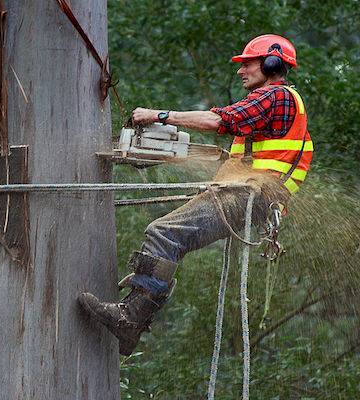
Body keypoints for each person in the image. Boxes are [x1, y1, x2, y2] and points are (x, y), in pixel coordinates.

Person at [79, 34, 313, 355]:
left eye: (247, 63)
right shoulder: (279, 104)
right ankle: (132, 318)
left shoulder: (275, 97)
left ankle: (130, 318)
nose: (241, 71)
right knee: (170, 236)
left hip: (248, 197)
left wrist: (158, 115)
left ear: (272, 63)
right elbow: (245, 150)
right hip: (250, 197)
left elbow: (219, 120)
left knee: (165, 233)